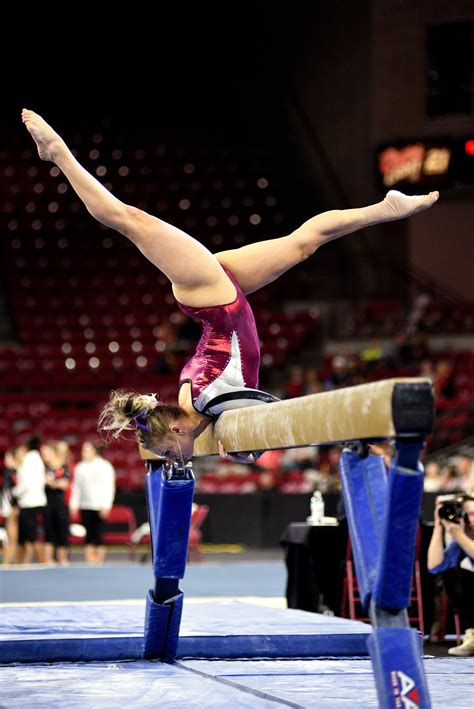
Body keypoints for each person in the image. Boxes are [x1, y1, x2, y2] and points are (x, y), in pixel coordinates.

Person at [22, 108, 439, 464]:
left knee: (128, 220)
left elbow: (269, 411)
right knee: (303, 244)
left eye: (170, 453)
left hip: (210, 299)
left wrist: (245, 451)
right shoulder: (201, 409)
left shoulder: (204, 400)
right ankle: (384, 209)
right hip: (225, 298)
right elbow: (249, 418)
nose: (177, 458)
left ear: (177, 432)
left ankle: (58, 153)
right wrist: (240, 447)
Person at [427, 493, 474, 656]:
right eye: (466, 515)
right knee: (452, 573)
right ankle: (472, 632)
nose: (470, 520)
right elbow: (435, 566)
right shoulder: (463, 537)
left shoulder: (462, 537)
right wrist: (439, 527)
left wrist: (458, 534)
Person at [69, 442, 116, 564]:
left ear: (94, 451)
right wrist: (74, 504)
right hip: (85, 505)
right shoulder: (79, 467)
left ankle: (99, 561)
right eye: (83, 450)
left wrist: (106, 505)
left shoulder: (105, 466)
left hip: (99, 506)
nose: (83, 453)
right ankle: (90, 562)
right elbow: (76, 487)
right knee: (88, 535)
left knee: (99, 535)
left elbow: (109, 487)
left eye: (86, 450)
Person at [12, 435, 46, 564]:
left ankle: (43, 562)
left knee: (32, 537)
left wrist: (14, 492)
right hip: (34, 501)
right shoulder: (37, 459)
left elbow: (25, 484)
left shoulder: (28, 460)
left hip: (29, 502)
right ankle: (27, 562)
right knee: (28, 537)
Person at [41, 441, 71, 566]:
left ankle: (62, 559)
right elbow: (41, 481)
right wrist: (52, 483)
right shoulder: (43, 467)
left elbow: (64, 485)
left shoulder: (63, 467)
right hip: (47, 503)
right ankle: (48, 560)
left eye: (47, 453)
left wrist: (50, 482)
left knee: (62, 531)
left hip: (60, 504)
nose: (44, 456)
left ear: (54, 453)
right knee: (48, 531)